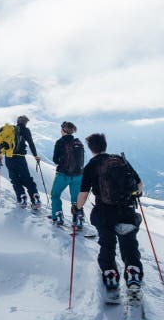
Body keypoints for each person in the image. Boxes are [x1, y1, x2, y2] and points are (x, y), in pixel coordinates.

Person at [74, 133, 144, 300]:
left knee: (107, 243)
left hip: (104, 212)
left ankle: (110, 274)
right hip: (126, 210)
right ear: (105, 145)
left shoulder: (91, 165)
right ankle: (133, 275)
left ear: (91, 149)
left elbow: (83, 193)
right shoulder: (120, 160)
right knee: (129, 245)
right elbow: (139, 185)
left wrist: (77, 208)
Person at [0, 115, 41, 207]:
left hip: (9, 158)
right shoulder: (26, 131)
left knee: (14, 179)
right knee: (27, 178)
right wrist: (36, 156)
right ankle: (35, 197)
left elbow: (1, 144)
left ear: (18, 121)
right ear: (25, 122)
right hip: (20, 158)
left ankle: (21, 198)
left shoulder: (10, 130)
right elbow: (31, 143)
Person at [50, 121, 85, 227]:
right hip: (78, 176)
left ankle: (58, 216)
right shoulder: (78, 142)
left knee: (55, 195)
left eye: (61, 128)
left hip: (63, 175)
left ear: (64, 130)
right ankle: (79, 219)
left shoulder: (60, 142)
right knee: (76, 199)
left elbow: (55, 159)